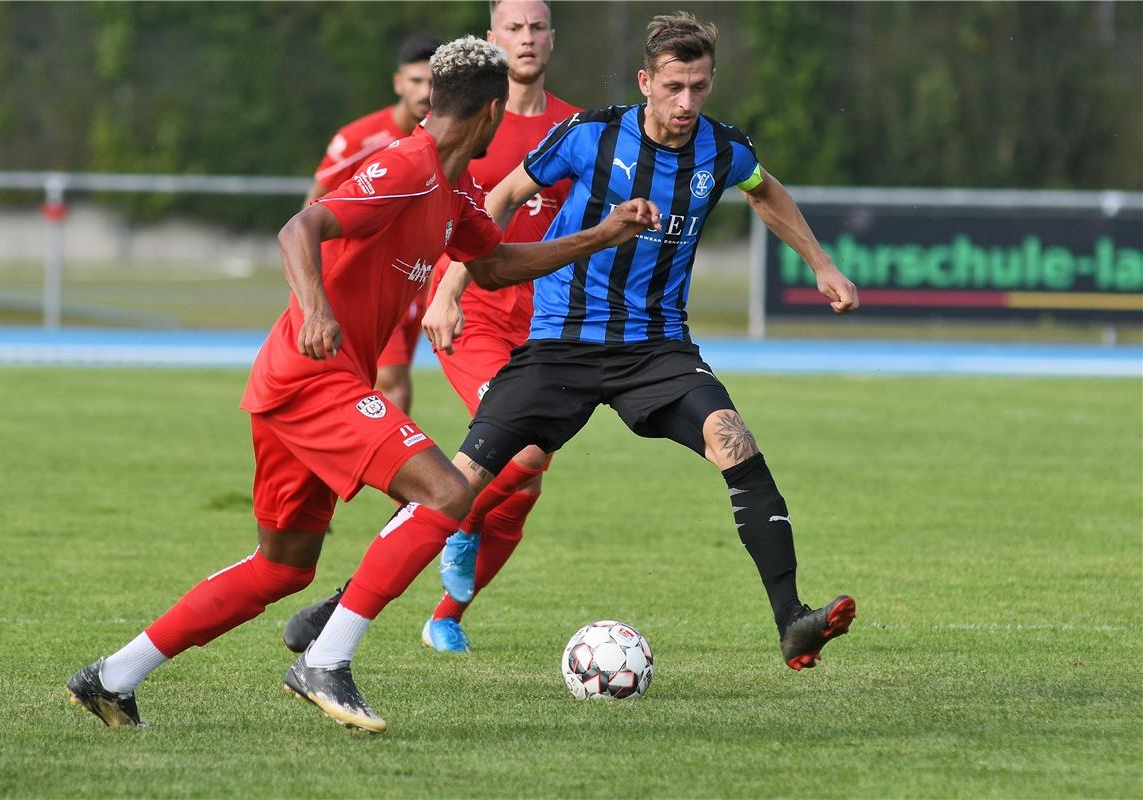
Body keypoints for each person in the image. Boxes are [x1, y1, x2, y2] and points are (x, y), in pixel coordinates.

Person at [65, 35, 662, 734]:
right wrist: (316, 310)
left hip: (297, 385)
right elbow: (301, 227)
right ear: (494, 111)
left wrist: (601, 234)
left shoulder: (454, 185)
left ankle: (111, 677)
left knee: (281, 570)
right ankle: (326, 661)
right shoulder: (408, 165)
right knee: (447, 492)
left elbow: (495, 265)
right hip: (314, 376)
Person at [427, 12, 860, 671]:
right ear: (646, 81)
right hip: (560, 345)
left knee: (734, 440)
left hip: (656, 351)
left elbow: (765, 190)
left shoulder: (721, 150)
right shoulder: (591, 135)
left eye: (700, 87)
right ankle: (347, 606)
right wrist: (452, 287)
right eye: (675, 87)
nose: (687, 102)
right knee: (462, 483)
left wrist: (821, 264)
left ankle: (793, 623)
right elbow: (502, 197)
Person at [281, 0, 582, 655]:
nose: (526, 39)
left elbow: (511, 233)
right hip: (468, 309)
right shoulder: (454, 127)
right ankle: (397, 557)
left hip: (546, 322)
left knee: (525, 479)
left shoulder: (575, 129)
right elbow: (320, 217)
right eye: (514, 28)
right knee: (516, 451)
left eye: (537, 28)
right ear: (492, 39)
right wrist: (446, 291)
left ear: (553, 41)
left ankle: (445, 608)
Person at [305, 35, 441, 414]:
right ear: (398, 83)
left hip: (415, 284)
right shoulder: (358, 140)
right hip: (366, 283)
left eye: (433, 82)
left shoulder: (447, 145)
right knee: (392, 385)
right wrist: (315, 295)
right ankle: (399, 469)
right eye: (416, 81)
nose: (425, 91)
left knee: (376, 384)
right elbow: (311, 209)